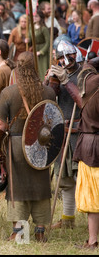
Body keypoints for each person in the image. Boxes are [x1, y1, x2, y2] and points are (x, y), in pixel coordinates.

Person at [0, 51, 56, 242]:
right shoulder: (48, 92)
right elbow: (53, 122)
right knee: (40, 185)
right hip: (42, 145)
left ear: (17, 69)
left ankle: (20, 233)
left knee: (17, 188)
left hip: (18, 146)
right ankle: (40, 230)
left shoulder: (8, 93)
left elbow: (0, 126)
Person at [44, 40, 82, 230]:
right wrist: (50, 81)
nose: (65, 60)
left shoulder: (84, 74)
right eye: (60, 57)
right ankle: (68, 220)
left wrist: (67, 81)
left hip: (81, 133)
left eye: (68, 55)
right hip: (64, 132)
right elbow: (48, 99)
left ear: (76, 53)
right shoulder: (58, 74)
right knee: (65, 179)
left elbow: (82, 100)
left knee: (83, 178)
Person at [72, 55, 99, 250]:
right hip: (92, 144)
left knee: (93, 198)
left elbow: (86, 68)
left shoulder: (87, 82)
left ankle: (92, 241)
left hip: (90, 144)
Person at [31, 9, 51, 81]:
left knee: (43, 69)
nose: (34, 18)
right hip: (34, 49)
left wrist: (41, 52)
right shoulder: (31, 27)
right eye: (34, 16)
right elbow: (30, 39)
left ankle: (44, 82)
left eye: (36, 16)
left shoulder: (44, 28)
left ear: (40, 18)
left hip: (43, 51)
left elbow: (48, 42)